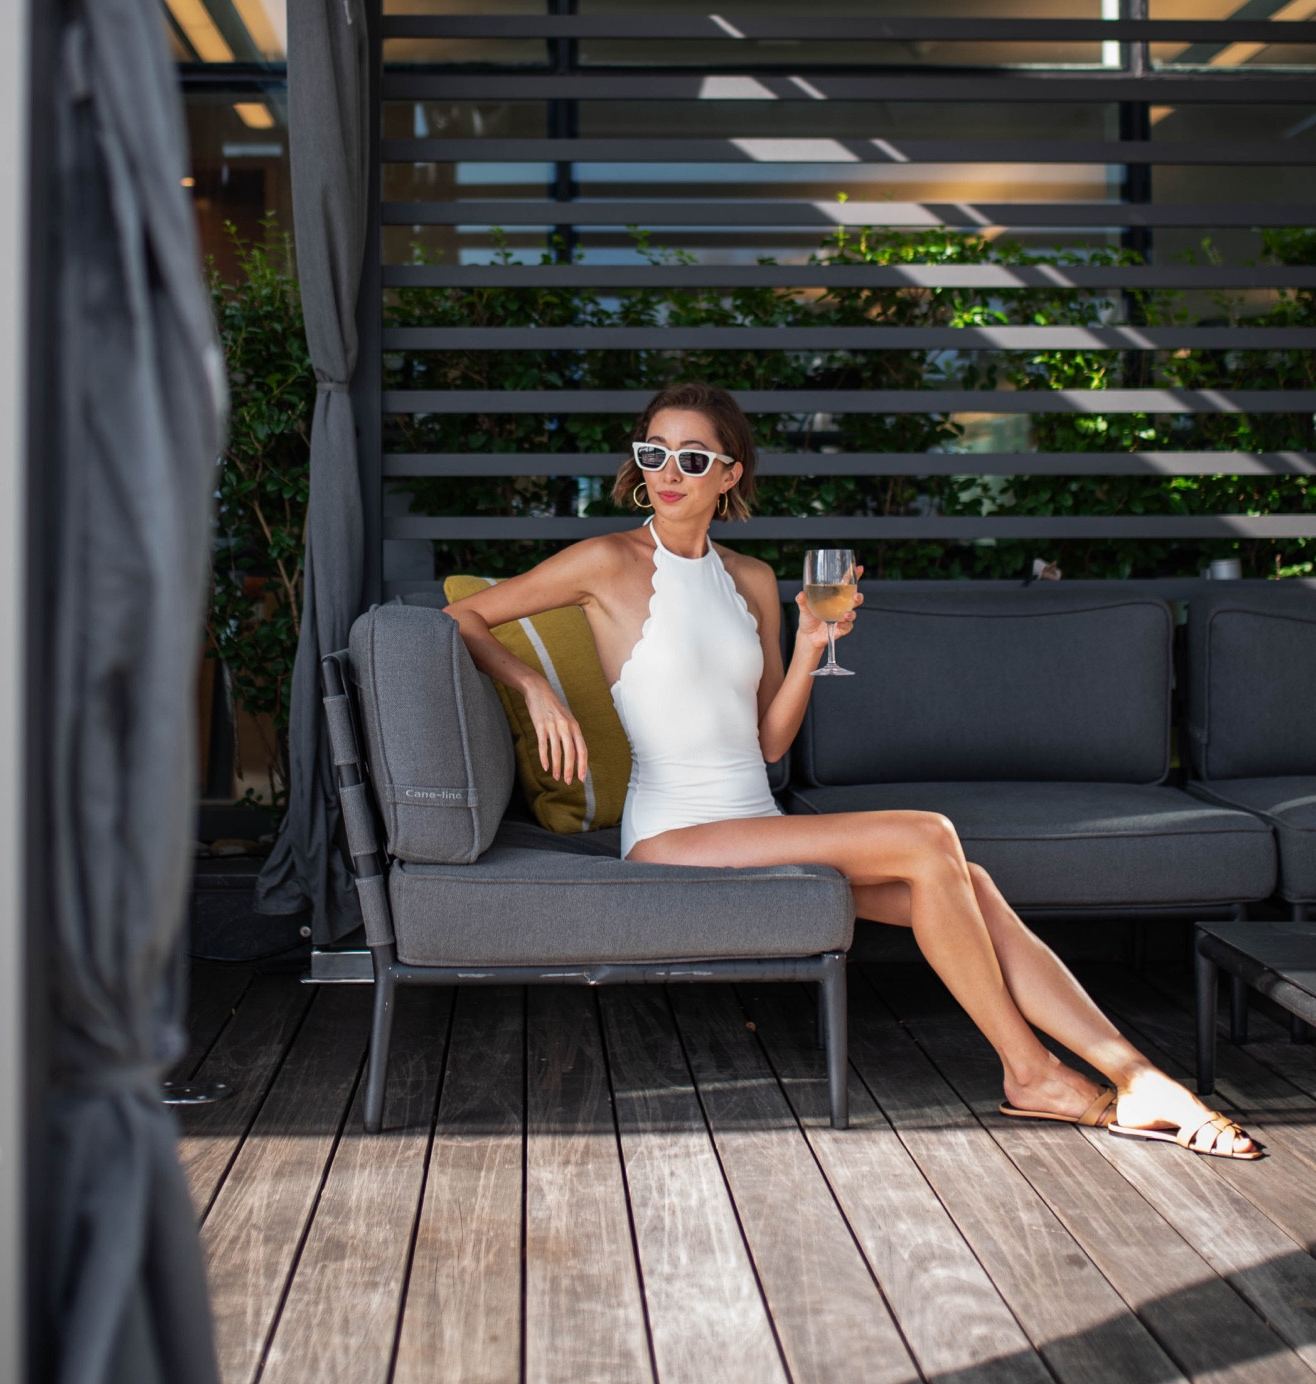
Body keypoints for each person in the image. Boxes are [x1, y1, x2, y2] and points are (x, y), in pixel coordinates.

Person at [445, 380, 1262, 1160]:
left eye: (693, 458)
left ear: (729, 475)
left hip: (752, 827)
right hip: (672, 835)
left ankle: (1136, 1075)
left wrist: (809, 646)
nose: (669, 473)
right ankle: (1032, 1071)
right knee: (927, 836)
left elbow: (769, 744)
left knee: (968, 882)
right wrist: (534, 688)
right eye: (654, 453)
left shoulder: (751, 581)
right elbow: (465, 616)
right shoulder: (605, 563)